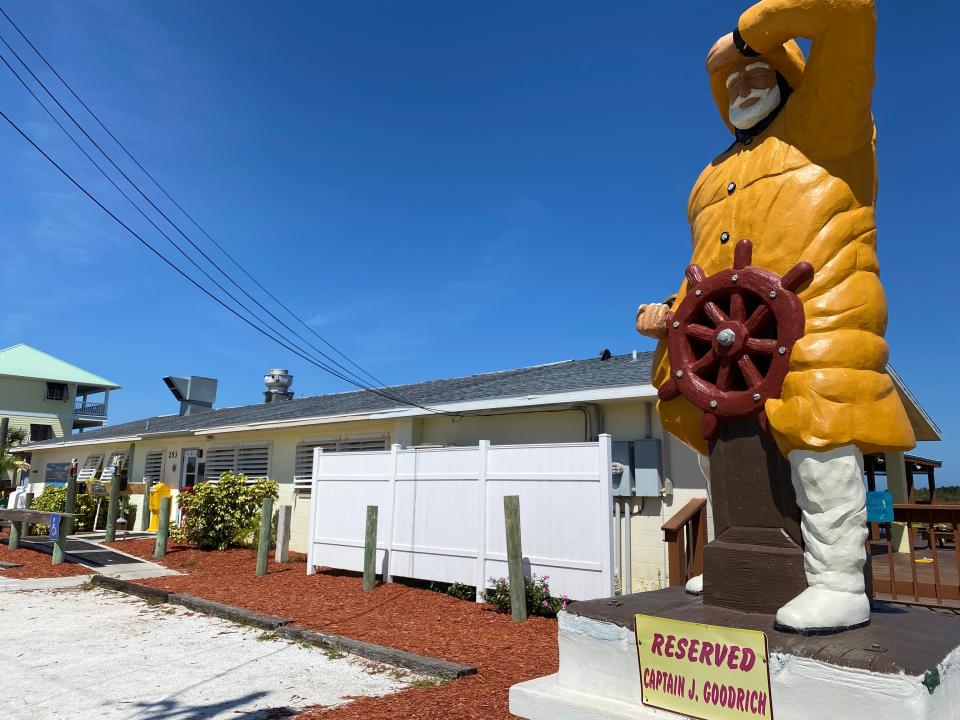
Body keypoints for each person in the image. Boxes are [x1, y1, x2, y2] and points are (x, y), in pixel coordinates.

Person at [636, 0, 914, 632]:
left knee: (819, 432)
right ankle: (739, 561)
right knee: (716, 437)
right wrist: (669, 315)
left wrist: (745, 32)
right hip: (728, 347)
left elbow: (847, 15)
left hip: (816, 322)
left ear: (790, 77)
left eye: (757, 73)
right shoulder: (710, 178)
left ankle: (838, 579)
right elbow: (707, 270)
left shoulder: (827, 121)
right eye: (730, 80)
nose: (740, 87)